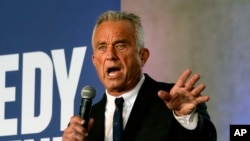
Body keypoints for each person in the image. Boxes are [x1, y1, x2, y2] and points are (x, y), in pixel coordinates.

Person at [62, 10, 217, 141]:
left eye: (120, 45)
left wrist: (185, 118)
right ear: (95, 61)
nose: (110, 55)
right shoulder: (83, 126)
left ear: (142, 56)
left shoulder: (175, 102)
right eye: (102, 47)